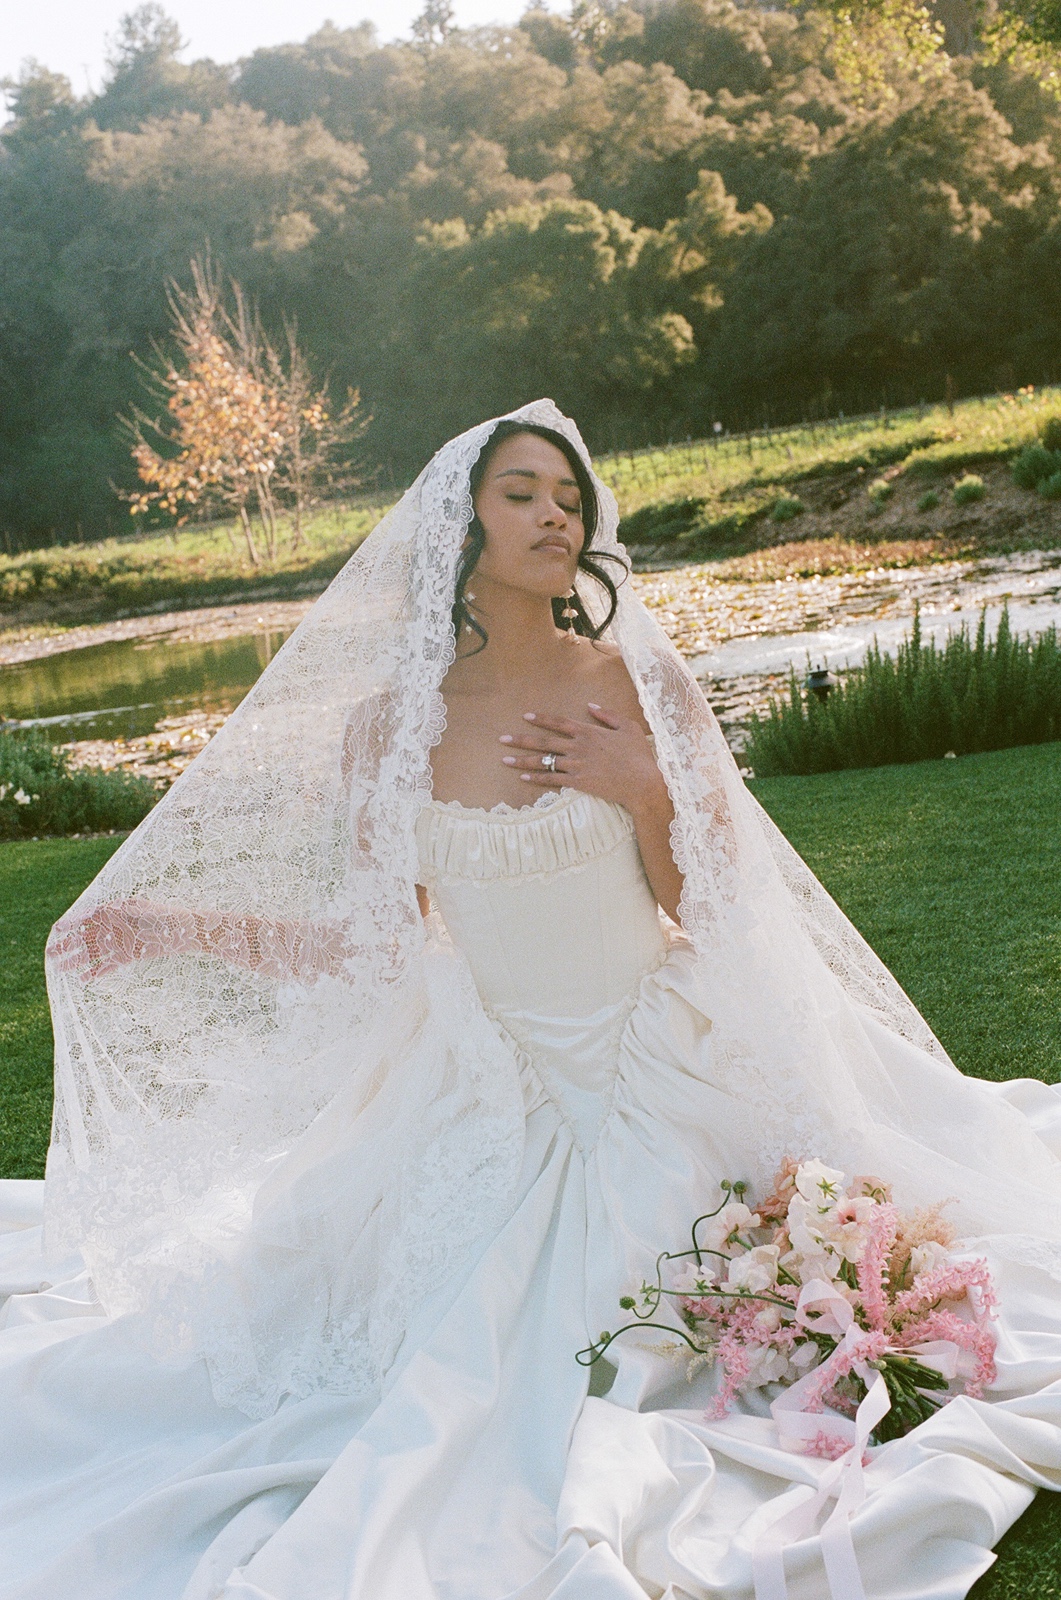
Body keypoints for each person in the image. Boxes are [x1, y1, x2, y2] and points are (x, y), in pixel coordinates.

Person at [1, 399, 1059, 1600]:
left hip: (652, 1068)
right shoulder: (388, 726)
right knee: (391, 1350)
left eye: (568, 494)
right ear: (461, 528)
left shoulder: (633, 680)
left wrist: (641, 789)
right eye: (522, 492)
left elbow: (718, 920)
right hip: (475, 1086)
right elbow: (368, 949)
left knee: (634, 1336)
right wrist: (158, 927)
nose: (558, 511)